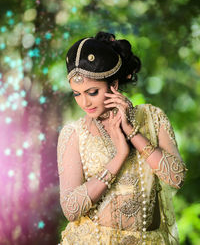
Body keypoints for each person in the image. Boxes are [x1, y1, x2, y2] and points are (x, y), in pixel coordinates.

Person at [57, 31, 187, 245]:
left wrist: (131, 132)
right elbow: (71, 209)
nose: (84, 103)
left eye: (92, 92)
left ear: (114, 85)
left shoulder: (152, 118)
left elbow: (176, 178)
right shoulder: (74, 134)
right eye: (77, 93)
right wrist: (119, 157)